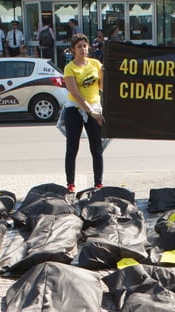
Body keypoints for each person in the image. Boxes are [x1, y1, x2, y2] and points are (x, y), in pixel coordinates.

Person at [62, 33, 104, 193]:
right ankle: (70, 184)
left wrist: (104, 73)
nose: (83, 49)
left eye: (85, 46)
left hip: (94, 105)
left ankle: (98, 183)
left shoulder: (95, 64)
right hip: (75, 108)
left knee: (97, 148)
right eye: (79, 46)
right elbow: (76, 94)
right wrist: (91, 112)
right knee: (72, 147)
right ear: (73, 49)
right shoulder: (70, 68)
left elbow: (102, 87)